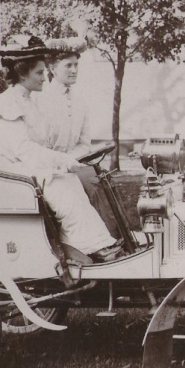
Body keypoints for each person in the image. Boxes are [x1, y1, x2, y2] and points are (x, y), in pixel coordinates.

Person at [0, 35, 121, 262]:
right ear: (23, 74)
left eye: (45, 72)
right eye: (40, 73)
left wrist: (63, 162)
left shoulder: (29, 101)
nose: (45, 77)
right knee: (60, 184)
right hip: (8, 170)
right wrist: (61, 161)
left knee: (68, 180)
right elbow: (24, 149)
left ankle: (85, 245)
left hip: (23, 165)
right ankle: (90, 246)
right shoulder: (9, 103)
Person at [38, 37, 120, 238]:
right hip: (47, 169)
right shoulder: (40, 97)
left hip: (71, 164)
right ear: (52, 68)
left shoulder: (79, 102)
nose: (74, 70)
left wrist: (71, 161)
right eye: (68, 65)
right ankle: (98, 245)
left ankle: (118, 241)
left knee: (105, 181)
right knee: (93, 187)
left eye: (76, 65)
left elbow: (84, 144)